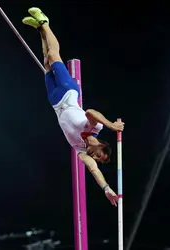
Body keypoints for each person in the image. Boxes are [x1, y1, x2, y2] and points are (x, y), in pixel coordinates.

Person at [22, 7, 124, 206]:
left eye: (100, 160)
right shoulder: (96, 128)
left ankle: (40, 29)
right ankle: (44, 22)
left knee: (46, 62)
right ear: (103, 146)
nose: (98, 159)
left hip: (55, 101)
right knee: (54, 55)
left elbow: (94, 171)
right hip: (68, 91)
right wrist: (112, 125)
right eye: (102, 157)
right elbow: (90, 112)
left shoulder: (80, 150)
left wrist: (107, 189)